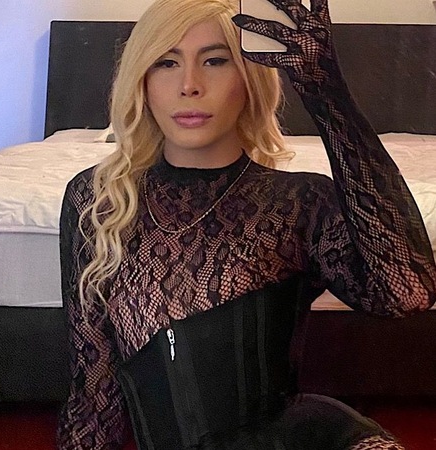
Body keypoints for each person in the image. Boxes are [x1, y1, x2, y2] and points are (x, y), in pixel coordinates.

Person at [57, 0, 436, 448]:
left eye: (215, 61)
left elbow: (407, 292)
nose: (189, 85)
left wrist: (326, 93)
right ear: (142, 80)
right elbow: (94, 395)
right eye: (166, 62)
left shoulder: (298, 202)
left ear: (249, 78)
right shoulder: (98, 201)